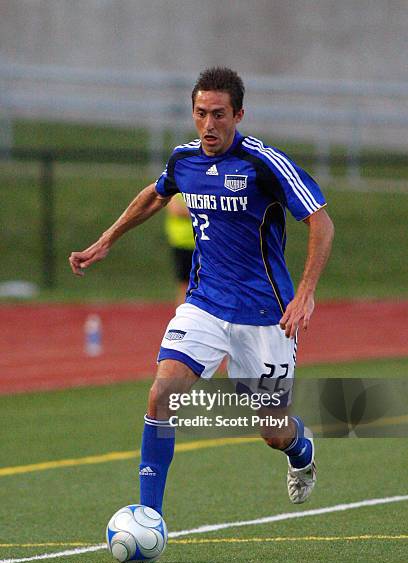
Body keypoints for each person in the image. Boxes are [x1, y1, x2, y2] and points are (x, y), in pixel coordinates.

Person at [69, 66, 334, 515]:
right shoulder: (184, 160)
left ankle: (300, 451)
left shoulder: (263, 164)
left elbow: (320, 222)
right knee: (161, 395)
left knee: (272, 430)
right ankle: (149, 517)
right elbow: (155, 194)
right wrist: (106, 240)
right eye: (200, 113)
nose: (208, 125)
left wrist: (305, 291)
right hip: (204, 305)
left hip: (266, 316)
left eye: (218, 115)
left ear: (239, 114)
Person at [165, 193, 195, 307]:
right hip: (183, 243)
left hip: (203, 243)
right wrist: (201, 210)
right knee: (185, 284)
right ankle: (182, 317)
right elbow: (176, 210)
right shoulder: (175, 186)